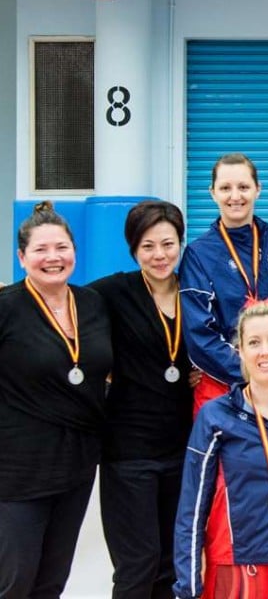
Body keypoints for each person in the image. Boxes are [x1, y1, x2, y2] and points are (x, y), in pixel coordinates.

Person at [173, 300, 268, 599]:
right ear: (239, 350)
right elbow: (191, 507)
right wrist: (187, 587)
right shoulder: (216, 416)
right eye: (254, 342)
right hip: (237, 569)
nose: (265, 351)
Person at [0, 201, 114, 597]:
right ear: (21, 257)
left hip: (76, 466)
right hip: (17, 471)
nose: (53, 258)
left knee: (52, 580)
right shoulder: (7, 307)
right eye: (41, 250)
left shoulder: (93, 303)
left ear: (74, 251)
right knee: (15, 580)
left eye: (61, 247)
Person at [89, 201, 197, 599]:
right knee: (138, 562)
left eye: (168, 244)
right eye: (148, 246)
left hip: (182, 446)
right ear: (133, 249)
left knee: (171, 562)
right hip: (128, 451)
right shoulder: (112, 292)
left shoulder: (196, 291)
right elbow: (57, 306)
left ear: (180, 243)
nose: (159, 255)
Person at [179, 152, 268, 412]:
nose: (235, 196)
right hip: (223, 387)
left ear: (258, 190)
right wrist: (252, 372)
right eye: (225, 188)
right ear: (212, 193)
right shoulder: (199, 253)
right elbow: (199, 334)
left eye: (243, 187)